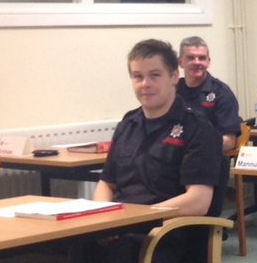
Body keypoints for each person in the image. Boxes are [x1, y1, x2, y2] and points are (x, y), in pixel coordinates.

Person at [75, 39, 223, 263]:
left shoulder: (197, 127)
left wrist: (136, 218)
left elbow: (198, 201)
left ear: (174, 76)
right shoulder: (128, 125)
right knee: (63, 245)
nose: (145, 84)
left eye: (155, 75)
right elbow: (107, 182)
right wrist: (103, 217)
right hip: (122, 227)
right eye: (138, 76)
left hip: (164, 233)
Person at [176, 36, 241, 151]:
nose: (197, 62)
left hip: (205, 157)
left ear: (208, 62)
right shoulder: (172, 90)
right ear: (180, 62)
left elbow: (229, 142)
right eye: (191, 58)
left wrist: (191, 149)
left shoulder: (222, 93)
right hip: (171, 154)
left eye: (202, 58)